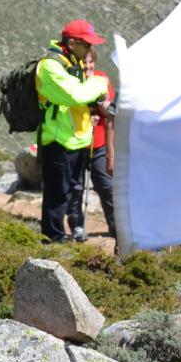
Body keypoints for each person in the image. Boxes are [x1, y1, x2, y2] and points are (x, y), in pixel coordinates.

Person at [36, 19, 111, 244]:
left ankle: (60, 239)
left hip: (76, 140)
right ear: (72, 42)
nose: (90, 49)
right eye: (86, 44)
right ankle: (52, 241)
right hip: (58, 141)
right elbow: (74, 95)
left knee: (69, 194)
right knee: (57, 195)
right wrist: (100, 82)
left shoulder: (72, 61)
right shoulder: (50, 65)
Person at [79, 47, 117, 242]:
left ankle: (115, 225)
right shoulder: (74, 80)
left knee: (105, 185)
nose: (87, 66)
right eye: (84, 62)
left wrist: (98, 106)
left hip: (99, 140)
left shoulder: (102, 78)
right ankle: (77, 227)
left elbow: (110, 110)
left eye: (90, 61)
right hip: (77, 142)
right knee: (76, 187)